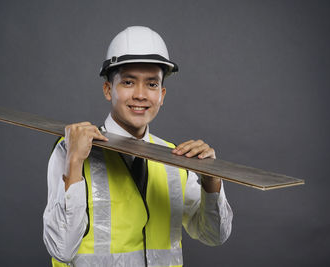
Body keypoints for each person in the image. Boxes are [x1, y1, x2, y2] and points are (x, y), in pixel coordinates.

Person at [43, 26, 233, 267]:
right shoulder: (71, 149)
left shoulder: (174, 158)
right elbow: (61, 248)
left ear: (162, 95)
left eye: (152, 85)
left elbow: (214, 235)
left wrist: (211, 181)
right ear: (108, 89)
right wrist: (74, 163)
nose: (141, 95)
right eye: (129, 82)